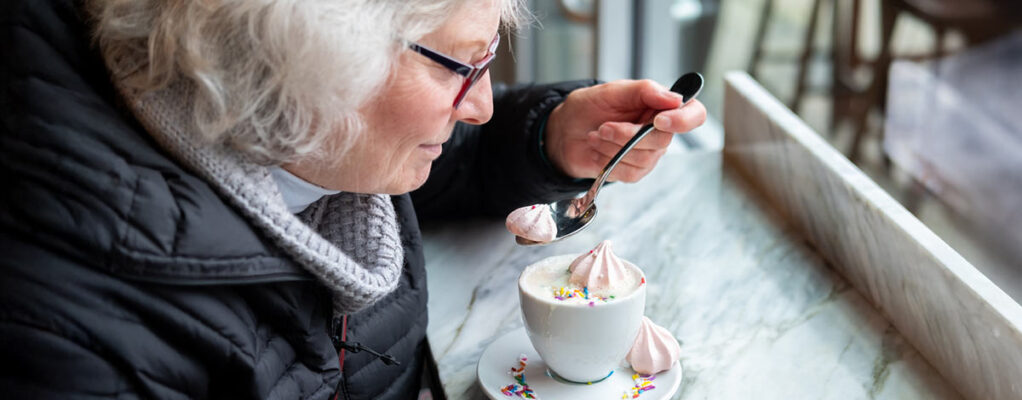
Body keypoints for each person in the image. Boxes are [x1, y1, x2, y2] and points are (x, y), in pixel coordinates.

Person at [0, 0, 706, 398]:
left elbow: (448, 161)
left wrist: (554, 136)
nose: (482, 107)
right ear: (309, 59)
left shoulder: (304, 127)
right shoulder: (61, 337)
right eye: (466, 66)